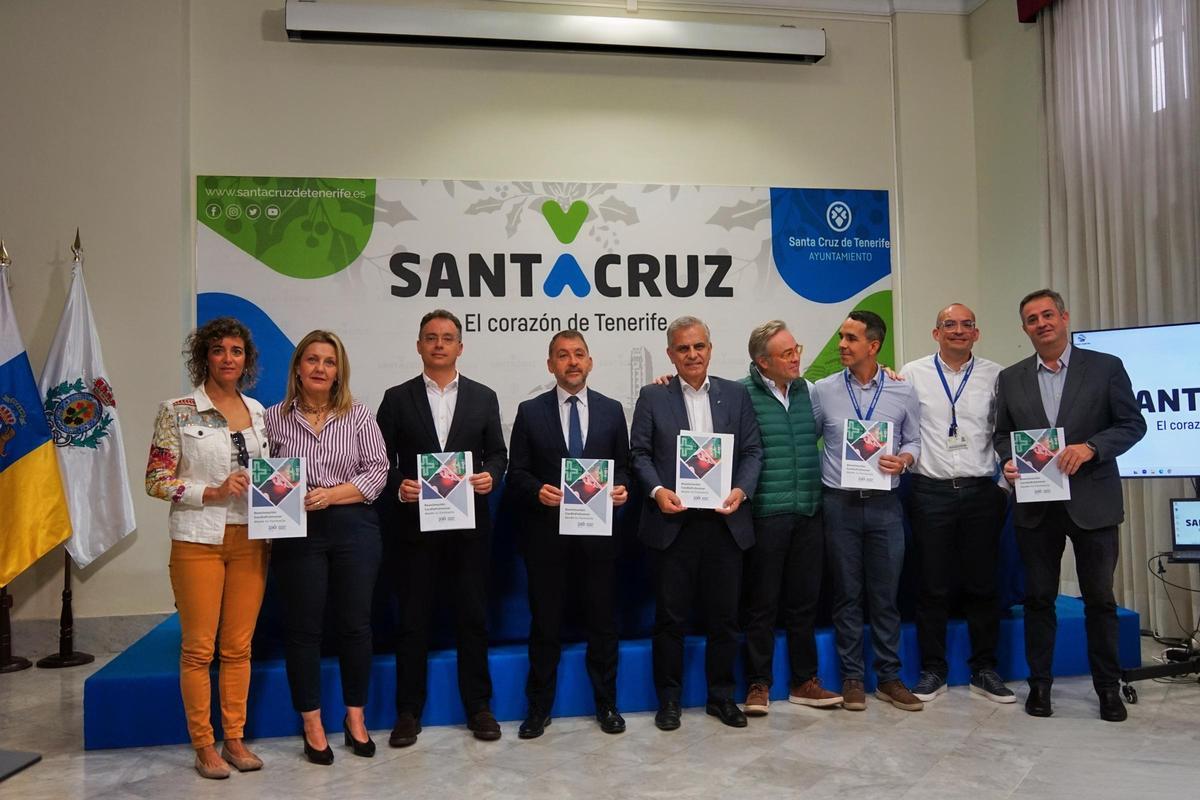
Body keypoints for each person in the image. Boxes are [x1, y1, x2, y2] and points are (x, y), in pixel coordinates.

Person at [993, 289, 1146, 722]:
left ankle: (1107, 688)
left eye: (1047, 315)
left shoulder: (1105, 368)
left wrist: (1093, 448)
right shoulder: (1011, 378)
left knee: (1099, 599)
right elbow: (1002, 434)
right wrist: (1007, 461)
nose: (1041, 324)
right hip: (1036, 506)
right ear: (1024, 329)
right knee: (1038, 599)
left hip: (1092, 501)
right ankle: (1039, 686)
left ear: (1064, 317)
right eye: (1031, 319)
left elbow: (1132, 424)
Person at [145, 317, 270, 779]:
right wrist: (210, 492)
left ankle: (234, 739)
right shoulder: (176, 410)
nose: (228, 359)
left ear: (246, 359)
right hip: (197, 539)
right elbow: (155, 480)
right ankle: (204, 745)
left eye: (236, 351)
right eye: (219, 350)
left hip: (252, 538)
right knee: (199, 649)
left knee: (238, 646)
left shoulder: (259, 412)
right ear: (204, 356)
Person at [376, 309, 508, 746]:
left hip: (469, 529)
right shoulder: (396, 398)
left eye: (447, 337)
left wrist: (491, 475)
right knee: (413, 621)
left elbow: (497, 455)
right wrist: (400, 486)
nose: (438, 344)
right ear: (418, 345)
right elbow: (379, 463)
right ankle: (408, 713)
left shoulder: (484, 397)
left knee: (472, 619)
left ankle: (480, 708)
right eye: (430, 337)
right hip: (415, 531)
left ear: (459, 347)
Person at [630, 315, 763, 731]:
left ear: (710, 348)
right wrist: (657, 492)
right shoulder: (653, 396)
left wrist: (741, 490)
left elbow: (753, 452)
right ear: (671, 354)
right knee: (670, 619)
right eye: (683, 348)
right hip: (675, 524)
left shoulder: (736, 395)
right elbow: (639, 455)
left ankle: (720, 698)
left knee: (725, 618)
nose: (692, 354)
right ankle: (668, 701)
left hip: (725, 523)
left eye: (698, 346)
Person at [264, 330, 389, 764]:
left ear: (339, 371)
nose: (320, 368)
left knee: (356, 625)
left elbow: (378, 472)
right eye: (312, 360)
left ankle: (356, 717)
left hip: (354, 527)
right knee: (303, 629)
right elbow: (263, 473)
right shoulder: (273, 418)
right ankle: (312, 722)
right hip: (296, 531)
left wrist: (330, 494)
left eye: (329, 362)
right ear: (298, 366)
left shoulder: (358, 414)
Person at [506, 330, 631, 739]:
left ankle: (607, 705)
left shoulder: (613, 411)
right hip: (547, 540)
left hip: (600, 539)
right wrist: (535, 491)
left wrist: (621, 489)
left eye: (579, 354)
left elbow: (625, 468)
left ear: (590, 362)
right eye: (563, 355)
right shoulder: (529, 411)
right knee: (545, 626)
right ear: (550, 365)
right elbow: (517, 472)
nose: (572, 362)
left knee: (603, 624)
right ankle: (538, 708)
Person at [810, 310, 923, 712]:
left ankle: (890, 678)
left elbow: (915, 440)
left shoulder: (902, 390)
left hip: (885, 506)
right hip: (838, 504)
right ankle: (853, 679)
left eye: (851, 338)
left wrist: (905, 460)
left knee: (886, 596)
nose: (841, 344)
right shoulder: (821, 390)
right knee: (846, 595)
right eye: (841, 336)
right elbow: (806, 436)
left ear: (873, 346)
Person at [900, 303, 1013, 704]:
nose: (958, 331)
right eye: (949, 324)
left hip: (982, 492)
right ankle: (934, 670)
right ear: (936, 333)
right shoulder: (911, 374)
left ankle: (985, 669)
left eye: (966, 325)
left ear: (976, 333)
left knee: (984, 584)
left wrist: (1002, 484)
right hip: (930, 491)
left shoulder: (996, 376)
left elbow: (1007, 430)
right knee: (932, 585)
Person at [738, 321, 843, 716]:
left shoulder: (808, 391)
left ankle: (805, 681)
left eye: (796, 348)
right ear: (763, 362)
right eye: (786, 353)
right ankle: (758, 684)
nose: (796, 357)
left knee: (804, 604)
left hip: (809, 511)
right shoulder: (740, 394)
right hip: (766, 513)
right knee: (762, 605)